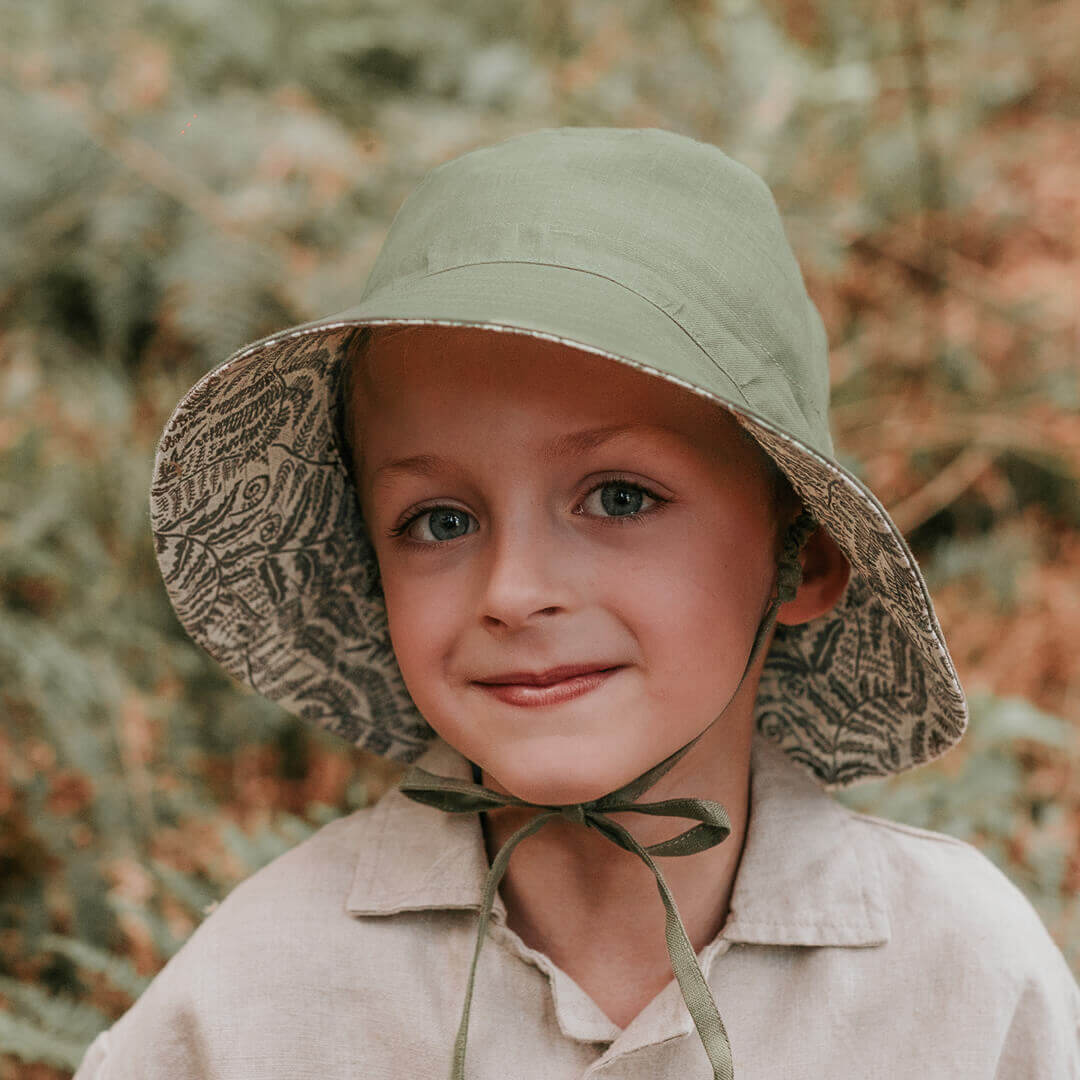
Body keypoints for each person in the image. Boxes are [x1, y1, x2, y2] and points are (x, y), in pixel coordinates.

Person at [74, 126, 1079, 1079]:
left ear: (801, 556)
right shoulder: (259, 996)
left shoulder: (960, 982)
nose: (512, 593)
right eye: (438, 522)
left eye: (620, 499)